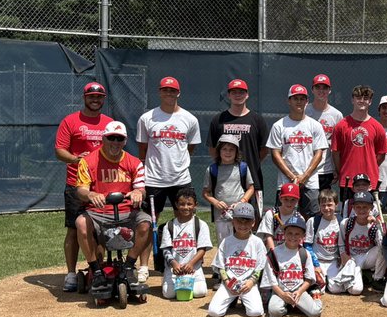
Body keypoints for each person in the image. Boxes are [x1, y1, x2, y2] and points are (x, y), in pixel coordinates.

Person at [73, 120, 152, 292]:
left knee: (146, 222)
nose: (115, 142)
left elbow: (141, 189)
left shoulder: (134, 162)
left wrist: (138, 192)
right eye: (111, 138)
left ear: (125, 141)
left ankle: (129, 265)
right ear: (103, 138)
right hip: (97, 212)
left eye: (119, 139)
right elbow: (81, 190)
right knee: (81, 223)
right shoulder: (88, 161)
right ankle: (96, 270)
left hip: (127, 211)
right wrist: (91, 195)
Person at [136, 75, 201, 282]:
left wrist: (177, 163)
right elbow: (142, 149)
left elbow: (190, 147)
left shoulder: (190, 119)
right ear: (159, 92)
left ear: (178, 93)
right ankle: (144, 266)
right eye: (165, 90)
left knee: (185, 220)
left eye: (172, 90)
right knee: (148, 223)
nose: (169, 93)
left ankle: (185, 260)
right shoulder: (147, 118)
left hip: (180, 179)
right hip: (154, 179)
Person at [54, 81, 113, 292]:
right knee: (73, 229)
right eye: (91, 96)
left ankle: (97, 270)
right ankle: (71, 274)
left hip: (102, 185)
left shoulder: (109, 123)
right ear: (84, 98)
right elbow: (59, 150)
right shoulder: (70, 121)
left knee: (101, 231)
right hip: (76, 185)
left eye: (99, 97)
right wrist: (77, 159)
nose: (95, 100)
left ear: (103, 99)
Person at [207, 78, 269, 213]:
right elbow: (212, 148)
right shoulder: (218, 120)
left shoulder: (257, 120)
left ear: (247, 95)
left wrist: (252, 163)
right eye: (234, 92)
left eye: (241, 92)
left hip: (252, 178)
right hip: (225, 180)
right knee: (225, 218)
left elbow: (264, 149)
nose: (237, 95)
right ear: (228, 95)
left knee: (253, 218)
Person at [267, 83, 329, 217]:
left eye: (302, 98)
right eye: (295, 98)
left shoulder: (315, 125)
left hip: (310, 182)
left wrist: (304, 176)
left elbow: (319, 153)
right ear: (289, 101)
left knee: (312, 219)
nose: (299, 102)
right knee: (283, 219)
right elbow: (275, 154)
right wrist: (292, 177)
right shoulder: (279, 126)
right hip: (286, 182)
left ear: (307, 101)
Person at [207, 201, 267, 317]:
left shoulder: (257, 242)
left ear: (253, 222)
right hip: (229, 282)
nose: (243, 225)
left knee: (255, 312)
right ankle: (234, 298)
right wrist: (227, 282)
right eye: (239, 221)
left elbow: (260, 267)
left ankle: (244, 299)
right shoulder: (227, 241)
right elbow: (220, 266)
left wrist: (251, 282)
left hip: (248, 283)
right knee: (214, 312)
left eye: (247, 221)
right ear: (233, 221)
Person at [331, 85, 387, 203]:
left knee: (369, 213)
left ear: (370, 101)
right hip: (348, 181)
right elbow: (336, 153)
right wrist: (342, 171)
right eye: (358, 97)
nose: (362, 101)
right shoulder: (341, 126)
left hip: (369, 181)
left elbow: (381, 154)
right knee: (348, 213)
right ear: (352, 100)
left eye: (365, 98)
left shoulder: (378, 127)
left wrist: (370, 165)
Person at [263, 213, 322, 317]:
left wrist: (299, 292)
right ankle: (289, 307)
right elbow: (271, 281)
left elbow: (309, 279)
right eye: (289, 233)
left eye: (297, 234)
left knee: (315, 312)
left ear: (303, 236)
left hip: (298, 290)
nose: (293, 237)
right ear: (284, 233)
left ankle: (314, 295)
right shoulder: (274, 253)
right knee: (274, 312)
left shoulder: (304, 253)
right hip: (280, 291)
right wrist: (283, 295)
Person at [158, 187, 213, 300]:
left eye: (189, 204)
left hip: (193, 268)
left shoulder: (201, 224)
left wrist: (191, 264)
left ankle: (189, 282)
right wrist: (174, 264)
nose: (186, 207)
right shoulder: (169, 225)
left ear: (195, 205)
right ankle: (167, 279)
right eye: (182, 204)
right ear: (176, 205)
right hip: (174, 269)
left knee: (200, 292)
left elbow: (202, 249)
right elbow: (166, 250)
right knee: (169, 294)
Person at [202, 134, 256, 244]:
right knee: (224, 243)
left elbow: (251, 188)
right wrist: (215, 202)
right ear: (219, 151)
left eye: (231, 149)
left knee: (242, 240)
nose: (228, 152)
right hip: (221, 214)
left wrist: (242, 201)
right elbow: (205, 193)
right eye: (224, 149)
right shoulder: (212, 169)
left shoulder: (242, 167)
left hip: (241, 212)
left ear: (237, 152)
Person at [337, 190, 387, 295]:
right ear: (353, 208)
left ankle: (377, 279)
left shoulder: (373, 225)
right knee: (355, 290)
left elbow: (381, 243)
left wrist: (377, 225)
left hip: (367, 258)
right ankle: (360, 275)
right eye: (358, 207)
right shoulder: (346, 223)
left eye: (365, 207)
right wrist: (343, 255)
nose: (361, 210)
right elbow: (341, 244)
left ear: (371, 208)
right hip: (352, 260)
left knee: (383, 248)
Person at [308, 73, 344, 194]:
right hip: (306, 167)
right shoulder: (305, 111)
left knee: (324, 201)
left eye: (325, 88)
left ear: (329, 90)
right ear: (312, 90)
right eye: (318, 87)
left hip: (326, 169)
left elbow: (338, 146)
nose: (321, 91)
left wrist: (336, 168)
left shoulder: (336, 115)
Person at [306, 190, 343, 291]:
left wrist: (341, 257)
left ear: (336, 204)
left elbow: (343, 244)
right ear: (319, 206)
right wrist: (315, 265)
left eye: (330, 205)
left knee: (336, 289)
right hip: (318, 260)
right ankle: (322, 280)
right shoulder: (313, 221)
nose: (326, 208)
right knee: (318, 290)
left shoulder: (341, 222)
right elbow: (307, 245)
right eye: (323, 205)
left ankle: (328, 279)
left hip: (333, 261)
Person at [258, 182, 302, 254]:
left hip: (291, 254)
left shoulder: (299, 218)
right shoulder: (271, 214)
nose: (289, 203)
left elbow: (300, 240)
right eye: (286, 199)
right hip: (272, 252)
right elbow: (269, 237)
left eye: (293, 200)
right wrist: (274, 255)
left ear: (298, 200)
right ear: (280, 198)